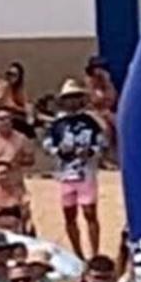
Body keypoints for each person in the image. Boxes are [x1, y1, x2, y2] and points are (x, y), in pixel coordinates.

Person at [43, 78, 109, 260]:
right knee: (69, 214)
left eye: (75, 97)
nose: (72, 101)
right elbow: (47, 144)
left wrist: (91, 151)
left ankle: (94, 251)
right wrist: (59, 151)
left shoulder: (90, 121)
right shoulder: (58, 124)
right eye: (69, 98)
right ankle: (78, 254)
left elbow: (102, 142)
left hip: (86, 173)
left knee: (90, 212)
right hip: (65, 174)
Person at [0, 109, 35, 199]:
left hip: (16, 184)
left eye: (8, 118)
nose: (5, 122)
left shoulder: (21, 139)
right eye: (1, 119)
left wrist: (15, 162)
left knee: (23, 210)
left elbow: (31, 160)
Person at [0, 160, 33, 234]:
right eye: (0, 174)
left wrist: (24, 208)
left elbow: (26, 217)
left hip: (18, 229)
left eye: (5, 173)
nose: (3, 177)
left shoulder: (18, 191)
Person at [0, 61, 35, 136]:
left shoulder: (19, 89)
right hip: (1, 115)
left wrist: (27, 111)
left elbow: (27, 105)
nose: (11, 77)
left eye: (14, 75)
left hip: (15, 116)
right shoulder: (2, 85)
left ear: (19, 77)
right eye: (9, 74)